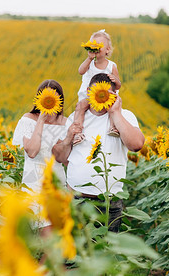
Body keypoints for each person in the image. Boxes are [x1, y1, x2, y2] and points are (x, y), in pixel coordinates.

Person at [52, 73, 145, 232]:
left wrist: (115, 113)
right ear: (88, 92)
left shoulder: (124, 116)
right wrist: (68, 137)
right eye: (96, 92)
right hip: (76, 201)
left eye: (107, 93)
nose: (101, 96)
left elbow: (136, 145)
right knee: (75, 253)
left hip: (109, 204)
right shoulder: (76, 118)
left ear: (114, 95)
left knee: (106, 252)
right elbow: (59, 157)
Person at [12, 79, 67, 234]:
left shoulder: (65, 123)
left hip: (57, 186)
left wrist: (70, 140)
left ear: (59, 101)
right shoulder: (28, 120)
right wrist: (41, 119)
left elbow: (66, 159)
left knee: (55, 241)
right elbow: (32, 151)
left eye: (53, 98)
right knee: (44, 242)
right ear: (39, 99)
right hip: (34, 185)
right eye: (45, 98)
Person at [73, 29, 121, 146]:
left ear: (107, 49)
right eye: (93, 45)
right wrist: (89, 58)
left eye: (99, 45)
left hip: (106, 96)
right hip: (89, 96)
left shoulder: (112, 65)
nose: (96, 47)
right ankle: (77, 132)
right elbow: (80, 71)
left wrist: (115, 80)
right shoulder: (89, 63)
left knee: (115, 107)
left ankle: (113, 127)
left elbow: (118, 85)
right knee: (80, 107)